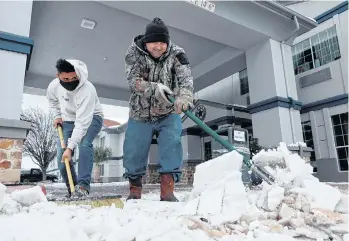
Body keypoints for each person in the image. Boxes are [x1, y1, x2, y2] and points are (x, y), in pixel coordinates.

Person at [123, 17, 194, 202]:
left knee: (172, 145)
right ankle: (135, 191)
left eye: (162, 42)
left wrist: (185, 97)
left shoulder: (177, 54)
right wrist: (155, 88)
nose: (158, 46)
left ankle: (168, 192)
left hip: (168, 112)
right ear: (146, 42)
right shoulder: (134, 53)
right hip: (140, 112)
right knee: (134, 149)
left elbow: (186, 80)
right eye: (154, 42)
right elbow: (133, 82)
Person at [47, 59, 104, 198]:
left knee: (84, 144)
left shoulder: (87, 89)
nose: (70, 81)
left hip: (91, 118)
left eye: (74, 78)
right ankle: (72, 189)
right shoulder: (54, 86)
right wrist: (57, 116)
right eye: (65, 78)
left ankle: (83, 186)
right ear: (58, 76)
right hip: (67, 120)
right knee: (62, 155)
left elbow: (82, 123)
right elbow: (52, 100)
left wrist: (70, 147)